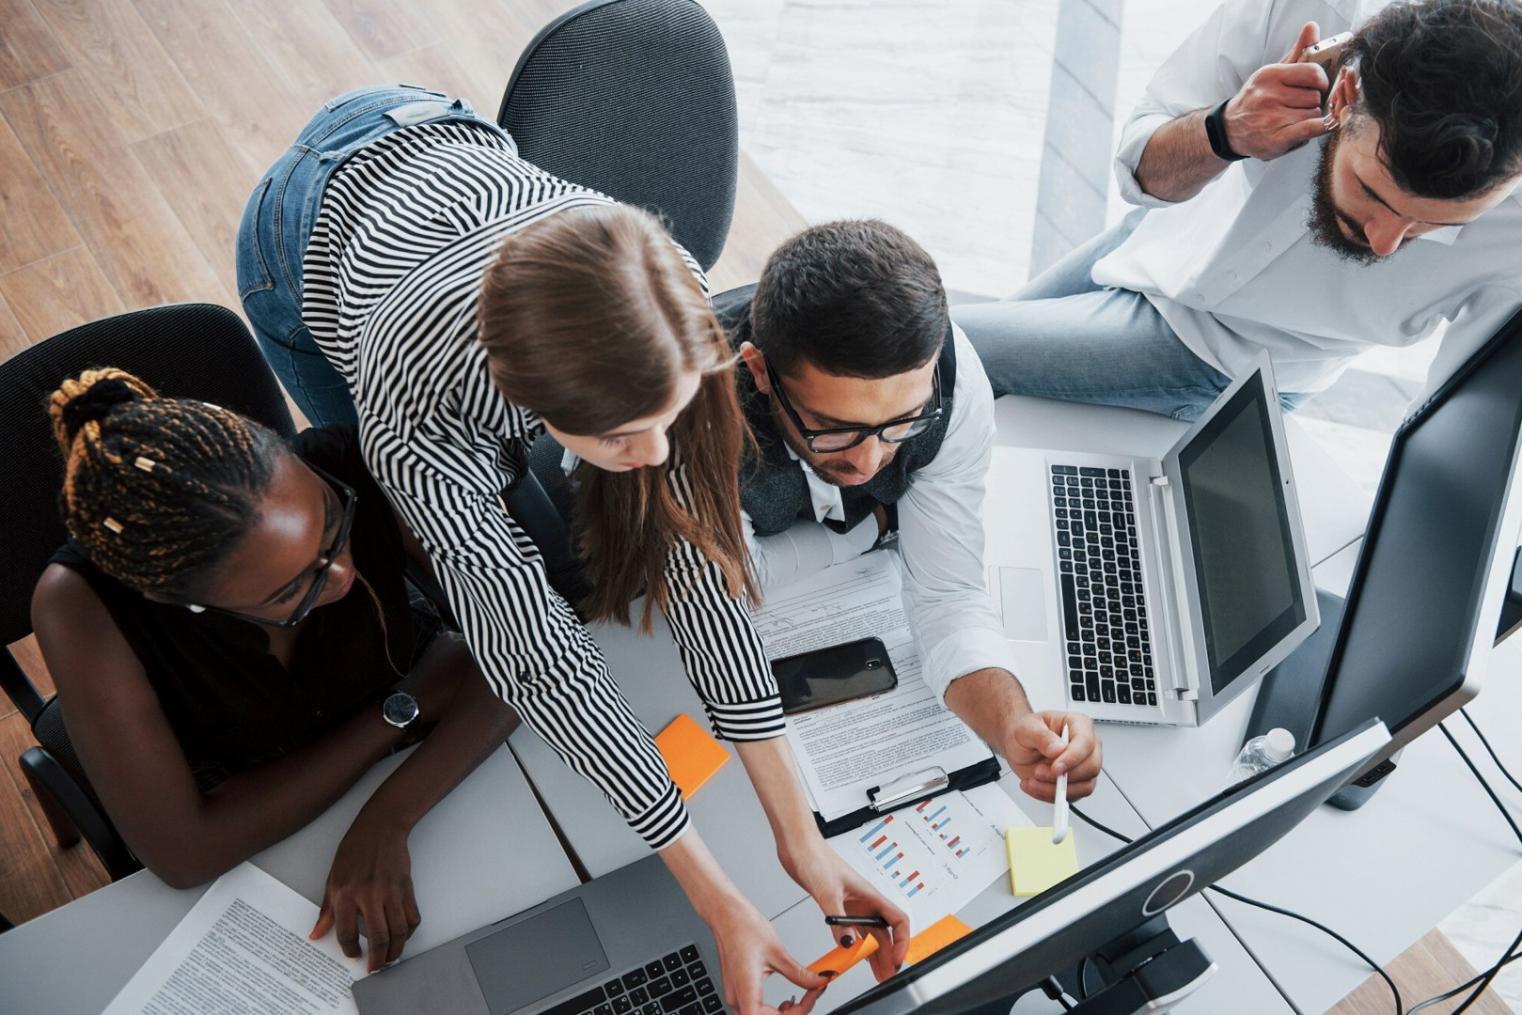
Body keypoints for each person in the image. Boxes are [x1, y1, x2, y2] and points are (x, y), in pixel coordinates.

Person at [236, 85, 905, 1012]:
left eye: (670, 417)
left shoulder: (666, 287)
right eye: (628, 435)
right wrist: (717, 898)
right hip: (314, 225)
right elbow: (541, 660)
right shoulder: (415, 402)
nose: (660, 456)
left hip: (445, 132)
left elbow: (699, 554)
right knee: (401, 515)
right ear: (532, 405)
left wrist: (802, 835)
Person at [30, 369, 519, 973]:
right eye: (297, 588)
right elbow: (185, 853)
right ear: (182, 602)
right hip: (267, 855)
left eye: (333, 524)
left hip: (445, 791)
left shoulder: (356, 459)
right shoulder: (81, 606)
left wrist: (388, 817)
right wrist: (403, 708)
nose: (341, 573)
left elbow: (532, 656)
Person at [955, 0, 1522, 422]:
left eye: (1437, 227)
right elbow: (1141, 169)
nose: (1385, 242)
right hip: (1157, 242)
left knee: (937, 360)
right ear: (1345, 97)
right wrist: (1225, 130)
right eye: (1372, 193)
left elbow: (1459, 415)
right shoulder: (1307, 10)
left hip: (1232, 361)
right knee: (925, 368)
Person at [713, 220, 1104, 805]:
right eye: (834, 428)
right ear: (761, 370)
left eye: (902, 423)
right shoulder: (693, 424)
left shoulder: (951, 380)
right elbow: (734, 583)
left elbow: (947, 595)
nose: (870, 462)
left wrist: (1012, 725)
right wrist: (872, 528)